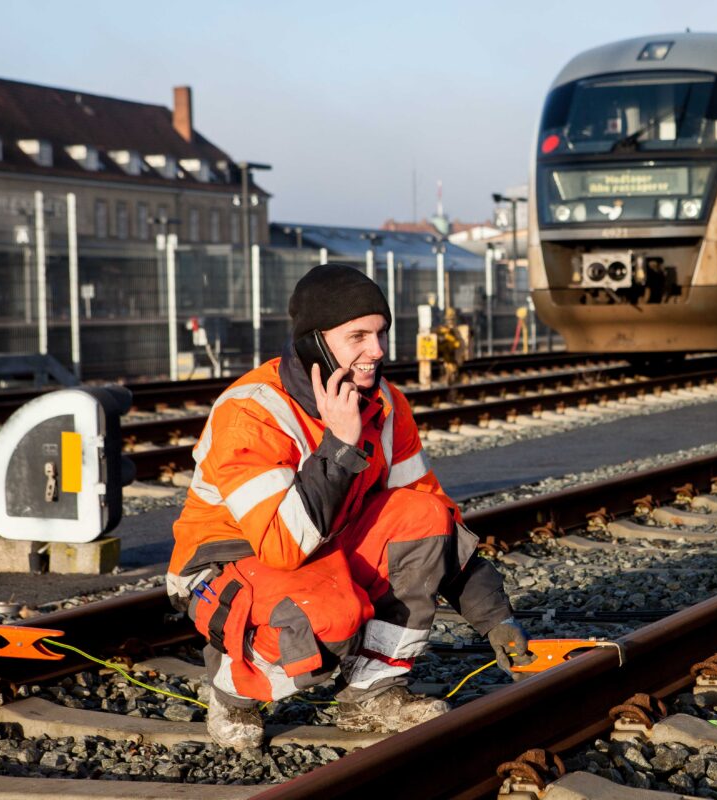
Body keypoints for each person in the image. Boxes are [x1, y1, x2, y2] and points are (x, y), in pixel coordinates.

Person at [166, 264, 533, 750]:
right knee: (329, 612)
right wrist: (339, 443)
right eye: (357, 335)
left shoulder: (385, 402)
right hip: (228, 563)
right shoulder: (252, 412)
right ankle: (233, 691)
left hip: (327, 546)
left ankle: (370, 693)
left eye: (380, 333)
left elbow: (434, 520)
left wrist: (494, 617)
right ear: (314, 343)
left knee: (422, 518)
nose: (377, 351)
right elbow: (282, 546)